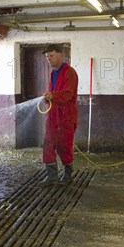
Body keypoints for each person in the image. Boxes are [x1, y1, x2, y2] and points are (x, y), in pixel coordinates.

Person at [38, 44, 79, 186]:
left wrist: (53, 95)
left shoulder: (70, 72)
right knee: (48, 143)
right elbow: (54, 95)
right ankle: (51, 176)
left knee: (64, 145)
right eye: (47, 57)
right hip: (53, 114)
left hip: (66, 115)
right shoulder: (53, 73)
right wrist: (48, 98)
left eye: (51, 56)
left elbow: (68, 95)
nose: (49, 59)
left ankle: (68, 175)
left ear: (60, 55)